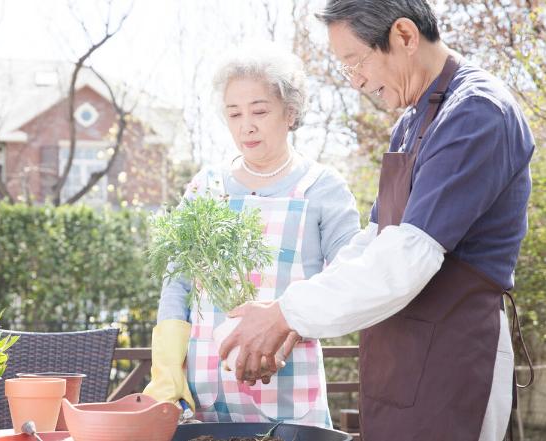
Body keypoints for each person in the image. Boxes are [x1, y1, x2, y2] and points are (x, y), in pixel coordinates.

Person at [219, 2, 535, 441]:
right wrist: (289, 311)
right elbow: (372, 241)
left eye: (355, 62)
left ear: (404, 36)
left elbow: (405, 259)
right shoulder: (412, 121)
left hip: (454, 358)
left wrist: (285, 315)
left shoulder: (475, 113)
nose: (358, 81)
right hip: (399, 358)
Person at [143, 43, 361, 429]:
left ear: (290, 112)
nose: (247, 125)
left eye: (260, 111)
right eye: (234, 113)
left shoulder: (322, 188)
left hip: (288, 381)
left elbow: (348, 280)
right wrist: (167, 370)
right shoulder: (205, 188)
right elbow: (176, 282)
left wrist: (288, 331)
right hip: (205, 389)